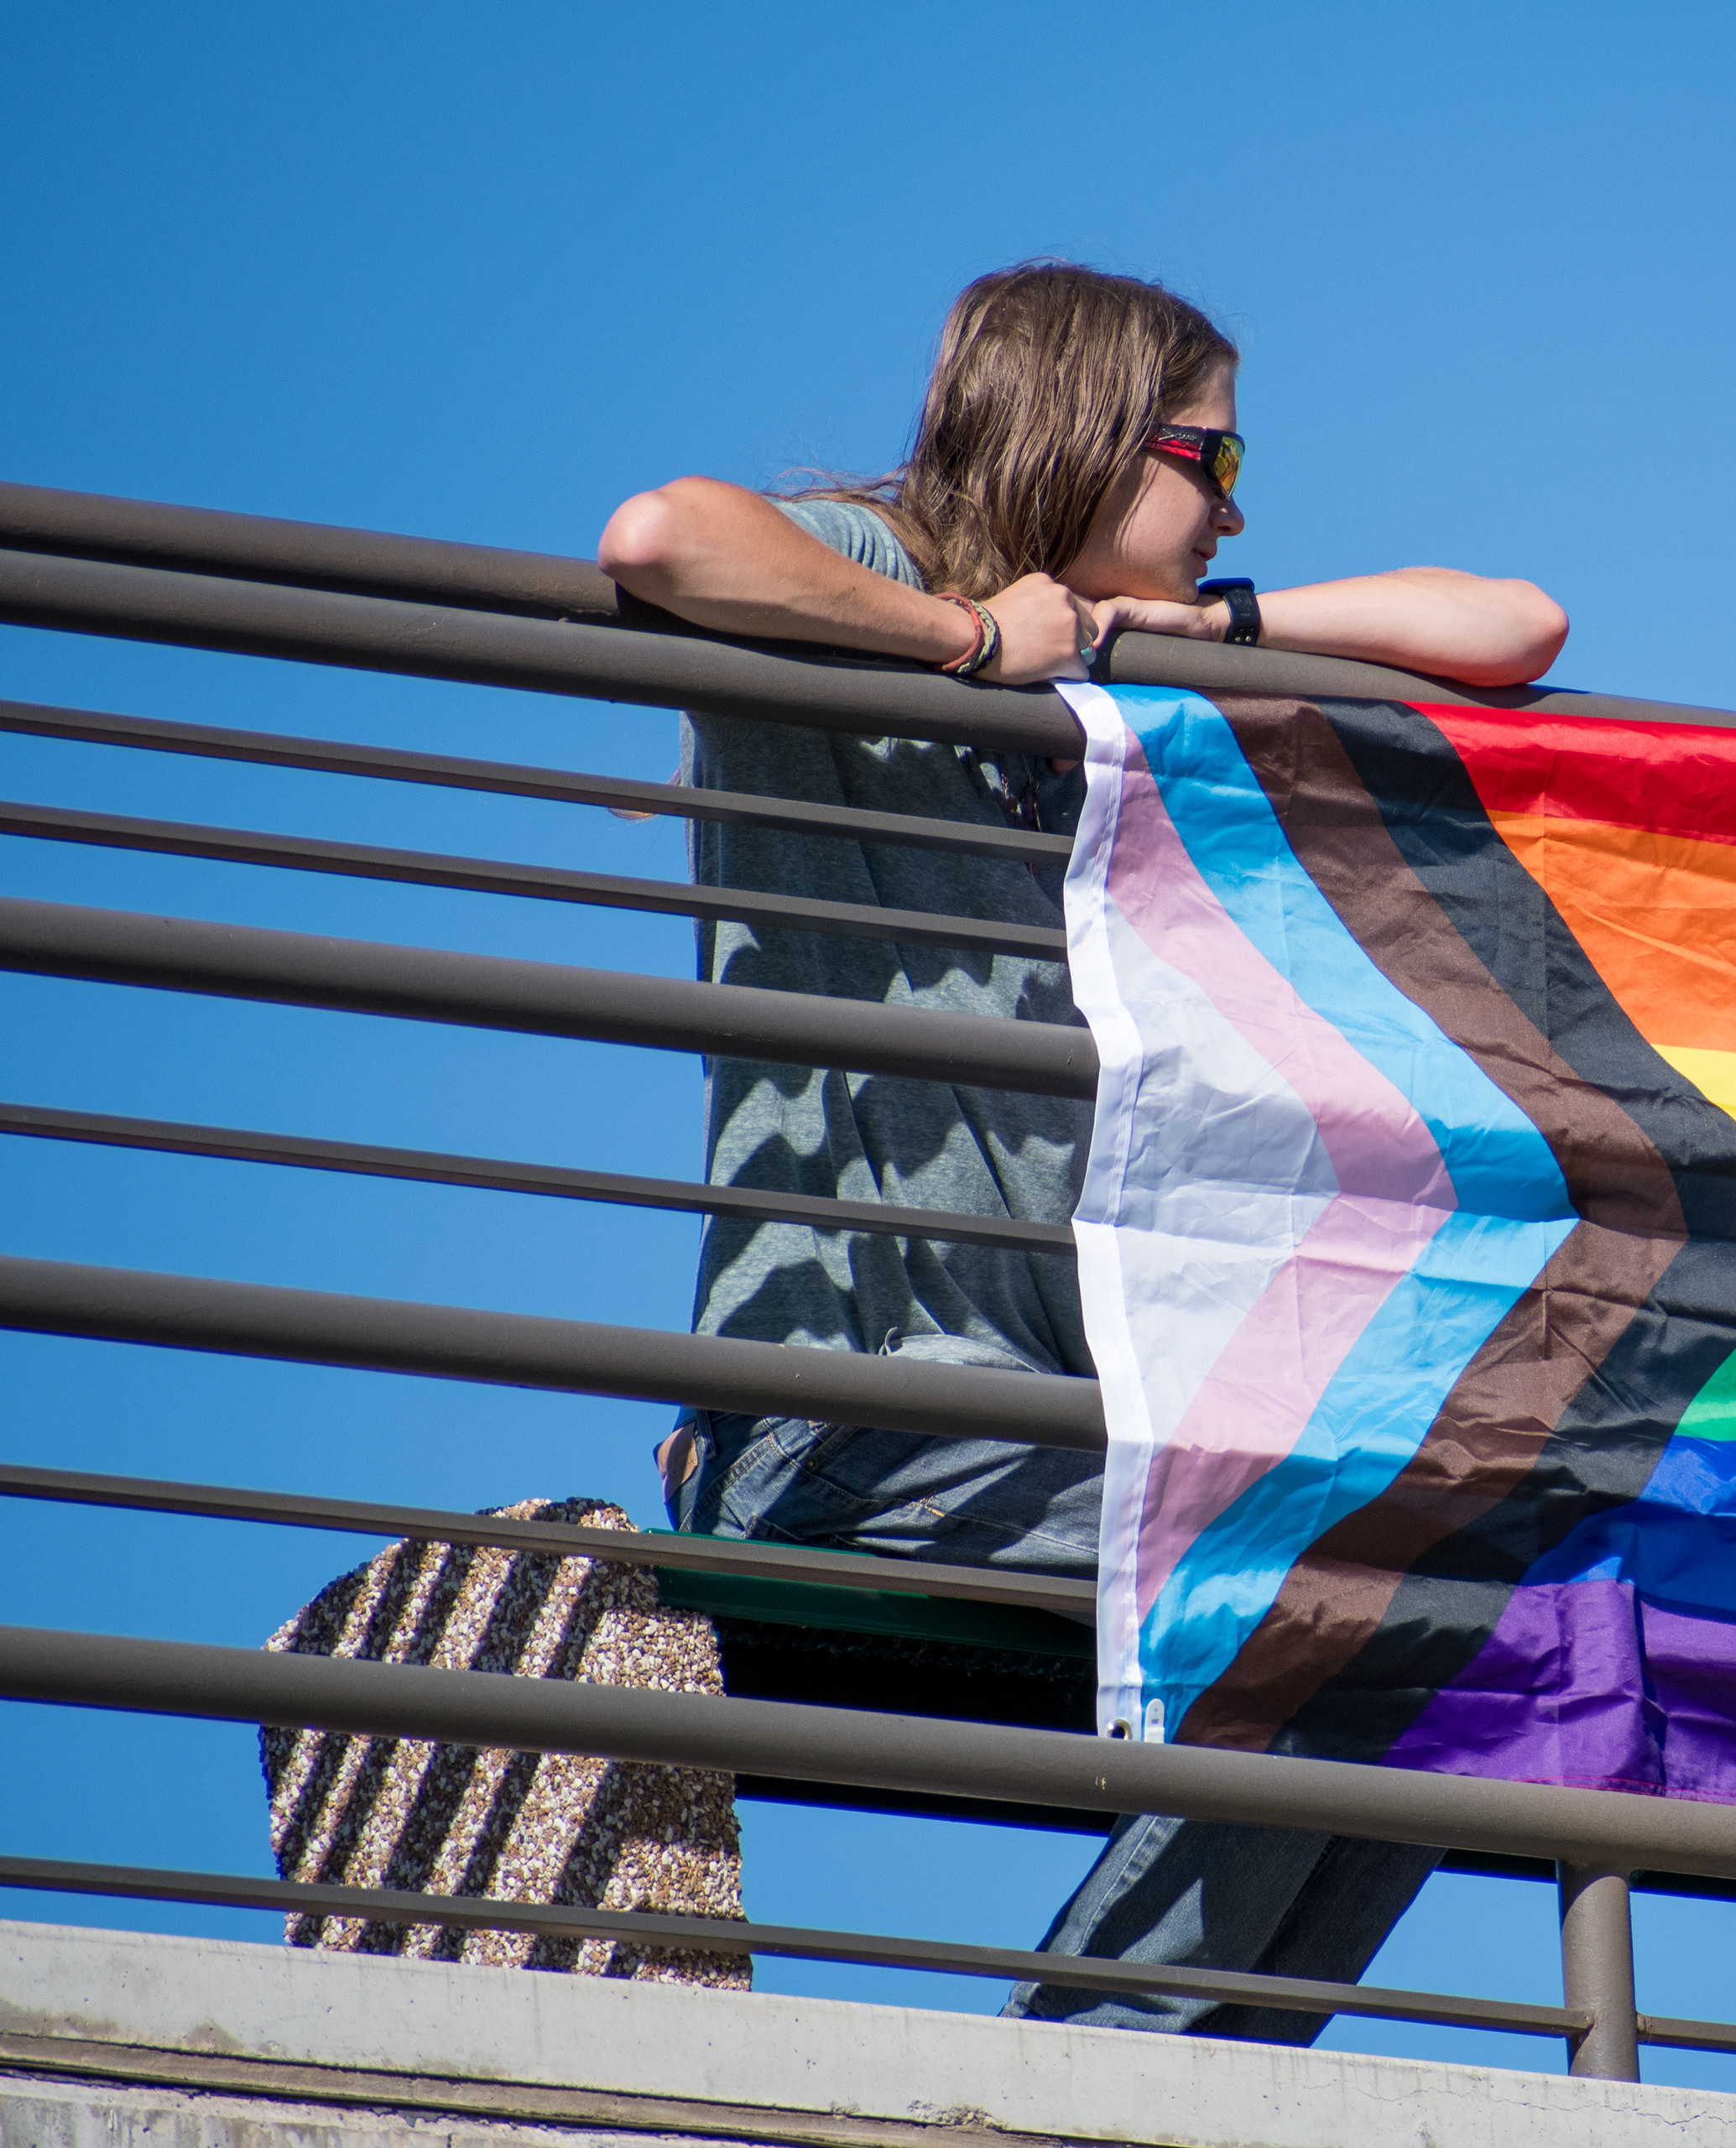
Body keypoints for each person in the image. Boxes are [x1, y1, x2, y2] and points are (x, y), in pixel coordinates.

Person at [598, 258, 1566, 2041]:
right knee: (1372, 1590)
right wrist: (974, 647)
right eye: (1212, 452)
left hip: (1083, 1429)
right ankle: (1104, 2076)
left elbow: (1512, 625)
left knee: (1457, 1607)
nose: (1238, 498)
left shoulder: (1135, 672)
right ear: (1086, 430)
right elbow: (665, 536)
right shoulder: (875, 577)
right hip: (851, 1423)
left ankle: (1117, 2071)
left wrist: (1194, 630)